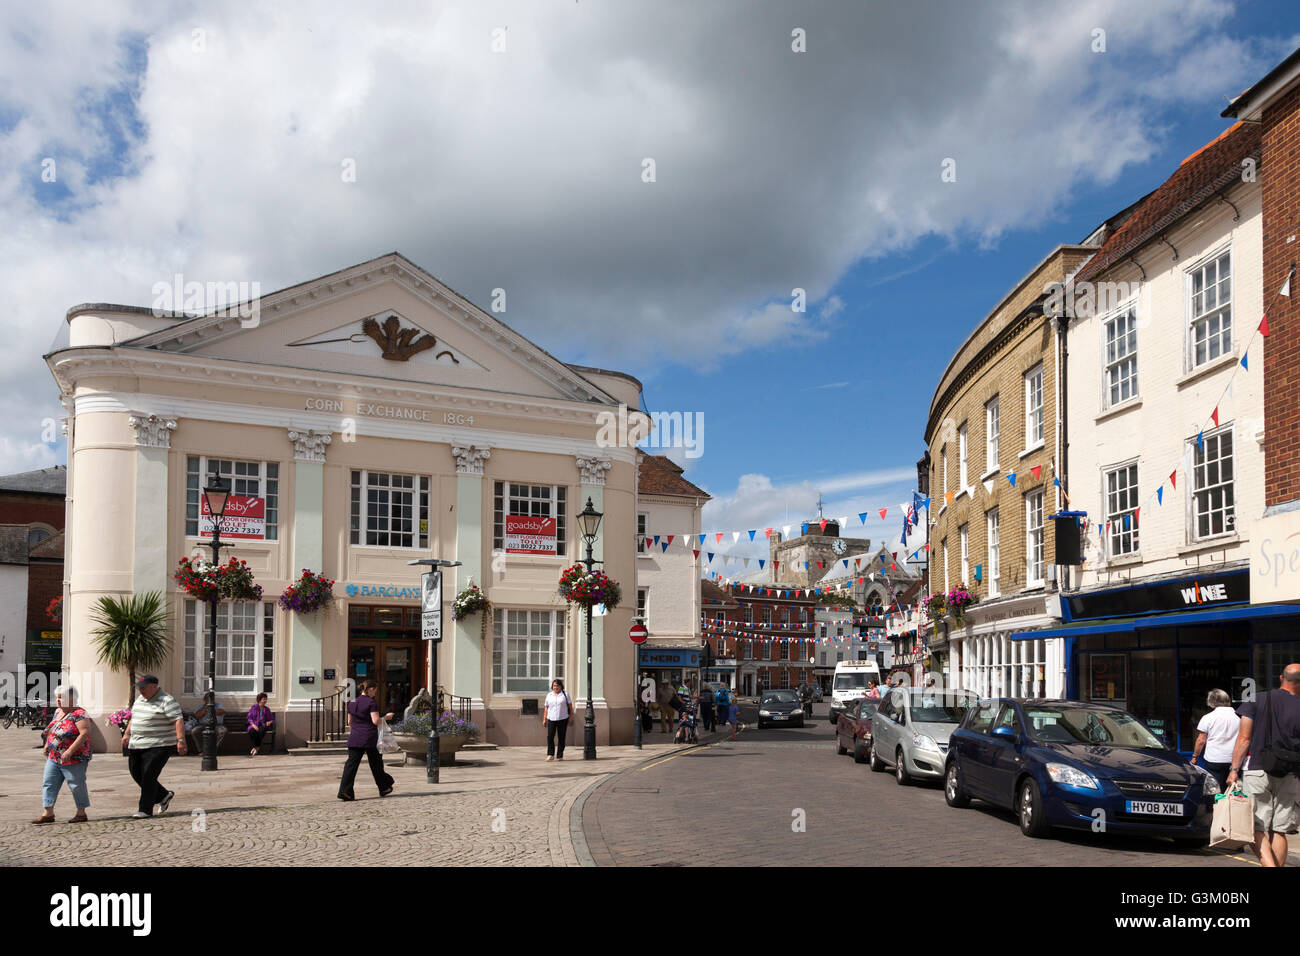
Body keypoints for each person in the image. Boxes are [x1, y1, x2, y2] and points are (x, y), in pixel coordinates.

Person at [1226, 664, 1300, 868]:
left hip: (1257, 768)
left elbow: (1244, 737)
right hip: (1291, 772)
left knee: (1256, 828)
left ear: (1281, 678)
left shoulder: (1256, 699)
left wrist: (1234, 769)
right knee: (1280, 829)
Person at [121, 675, 185, 818]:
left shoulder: (167, 700)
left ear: (154, 686)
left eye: (143, 687)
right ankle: (163, 795)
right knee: (136, 773)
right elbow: (134, 717)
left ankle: (144, 809)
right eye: (139, 687)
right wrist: (126, 734)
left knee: (149, 775)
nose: (141, 690)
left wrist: (180, 740)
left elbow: (178, 720)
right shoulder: (140, 699)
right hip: (137, 743)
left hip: (159, 744)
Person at [33, 685, 93, 825]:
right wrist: (47, 743)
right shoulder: (58, 711)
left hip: (74, 756)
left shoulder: (79, 713)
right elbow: (53, 728)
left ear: (72, 700)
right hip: (54, 756)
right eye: (57, 697)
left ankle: (81, 812)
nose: (58, 700)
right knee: (49, 782)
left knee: (76, 784)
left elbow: (85, 733)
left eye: (61, 697)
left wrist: (70, 751)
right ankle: (48, 813)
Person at [338, 679, 395, 801]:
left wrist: (358, 730)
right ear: (371, 689)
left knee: (351, 765)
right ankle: (384, 787)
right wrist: (386, 717)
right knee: (376, 764)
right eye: (375, 691)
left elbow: (350, 722)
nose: (375, 693)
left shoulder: (352, 702)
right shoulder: (371, 703)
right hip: (369, 737)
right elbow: (375, 721)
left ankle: (345, 791)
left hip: (355, 737)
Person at [1192, 688, 1239, 792]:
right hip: (1233, 760)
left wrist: (1195, 757)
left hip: (1214, 759)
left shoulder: (1208, 717)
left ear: (1212, 702)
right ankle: (1229, 808)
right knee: (1231, 790)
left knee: (1214, 789)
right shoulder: (1238, 717)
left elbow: (1201, 740)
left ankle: (1214, 808)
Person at [544, 678, 574, 761]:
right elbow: (546, 707)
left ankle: (560, 755)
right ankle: (550, 754)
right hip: (551, 718)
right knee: (550, 737)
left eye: (557, 685)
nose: (555, 687)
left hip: (563, 718)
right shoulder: (549, 695)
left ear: (561, 686)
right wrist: (544, 719)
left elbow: (570, 706)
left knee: (561, 737)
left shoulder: (565, 694)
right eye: (554, 686)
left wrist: (571, 717)